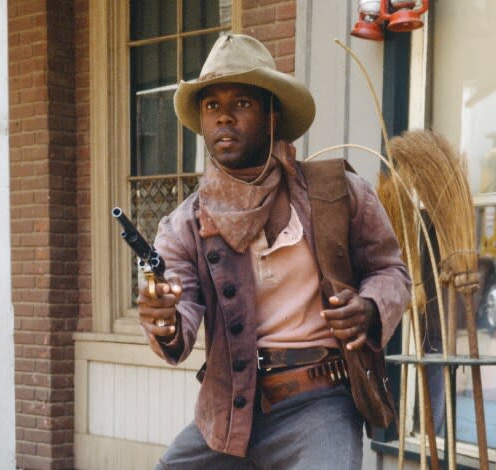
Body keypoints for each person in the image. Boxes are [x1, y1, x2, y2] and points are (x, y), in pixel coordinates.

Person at [138, 33, 411, 469]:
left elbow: (391, 271)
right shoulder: (185, 224)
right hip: (231, 411)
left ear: (272, 114)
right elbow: (180, 308)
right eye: (212, 106)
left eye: (241, 103)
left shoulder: (337, 192)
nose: (224, 117)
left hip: (319, 403)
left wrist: (370, 307)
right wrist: (165, 320)